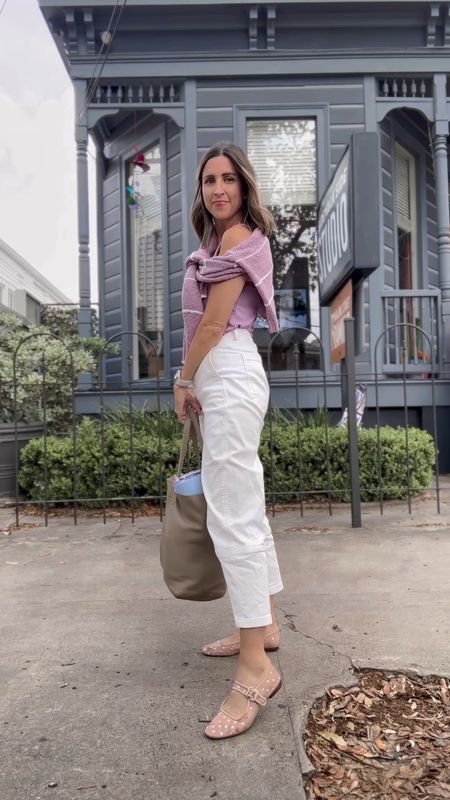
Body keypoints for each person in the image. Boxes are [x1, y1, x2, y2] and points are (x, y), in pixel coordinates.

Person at [173, 142, 284, 740]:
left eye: (228, 179)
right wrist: (196, 380)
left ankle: (255, 669)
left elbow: (215, 324)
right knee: (245, 507)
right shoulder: (216, 245)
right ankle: (263, 626)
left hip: (229, 373)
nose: (218, 188)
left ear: (243, 186)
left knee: (233, 517)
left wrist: (182, 379)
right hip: (222, 376)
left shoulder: (242, 240)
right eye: (209, 180)